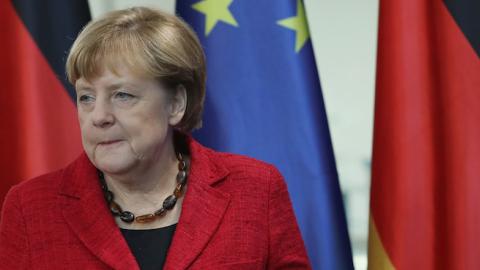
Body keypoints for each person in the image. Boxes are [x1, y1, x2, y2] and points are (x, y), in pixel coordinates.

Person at [0, 7, 311, 270]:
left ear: (175, 104)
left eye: (122, 95)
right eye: (86, 97)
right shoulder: (30, 208)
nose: (99, 116)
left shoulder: (256, 190)